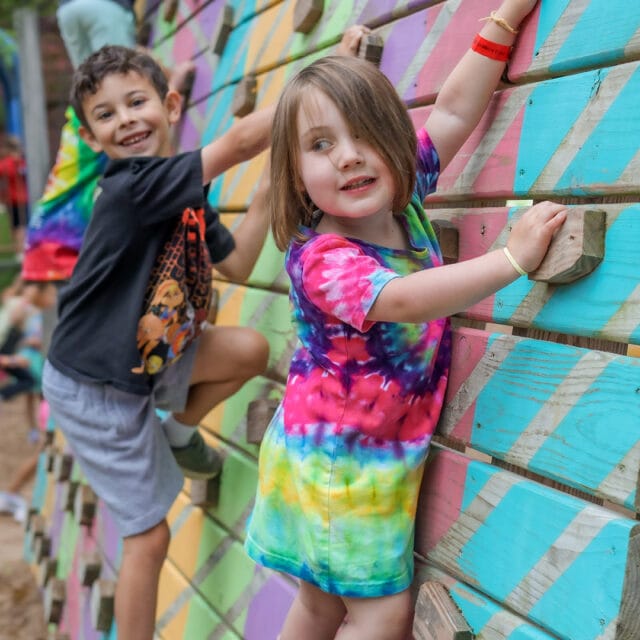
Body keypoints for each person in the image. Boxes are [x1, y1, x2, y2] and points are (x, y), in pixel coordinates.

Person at [244, 3, 568, 639]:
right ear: (295, 172)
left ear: (392, 140)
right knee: (380, 613)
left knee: (319, 605)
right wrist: (511, 259)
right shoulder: (323, 258)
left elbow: (451, 111)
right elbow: (403, 298)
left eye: (364, 135)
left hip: (350, 455)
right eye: (320, 145)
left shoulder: (404, 195)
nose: (348, 158)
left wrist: (503, 20)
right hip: (342, 464)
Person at [41, 29, 364, 640]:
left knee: (249, 349)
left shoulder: (180, 195)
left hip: (144, 356)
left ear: (169, 106)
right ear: (92, 139)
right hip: (96, 385)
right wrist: (330, 73)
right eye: (105, 115)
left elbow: (237, 263)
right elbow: (242, 138)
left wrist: (270, 186)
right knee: (149, 534)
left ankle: (179, 436)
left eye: (137, 102)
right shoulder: (132, 188)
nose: (126, 121)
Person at [22, 0, 195, 281]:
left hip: (70, 10)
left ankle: (170, 81)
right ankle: (170, 79)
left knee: (106, 76)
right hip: (97, 6)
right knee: (111, 72)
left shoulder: (93, 138)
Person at [0, 281, 57, 523]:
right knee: (42, 453)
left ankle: (11, 494)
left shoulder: (43, 317)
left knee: (43, 453)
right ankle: (10, 494)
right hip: (52, 400)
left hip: (48, 394)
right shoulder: (41, 319)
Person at [0, 135, 29, 257]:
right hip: (21, 199)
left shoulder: (7, 163)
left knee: (17, 226)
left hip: (15, 199)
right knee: (20, 225)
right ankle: (22, 249)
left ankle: (21, 251)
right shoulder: (21, 162)